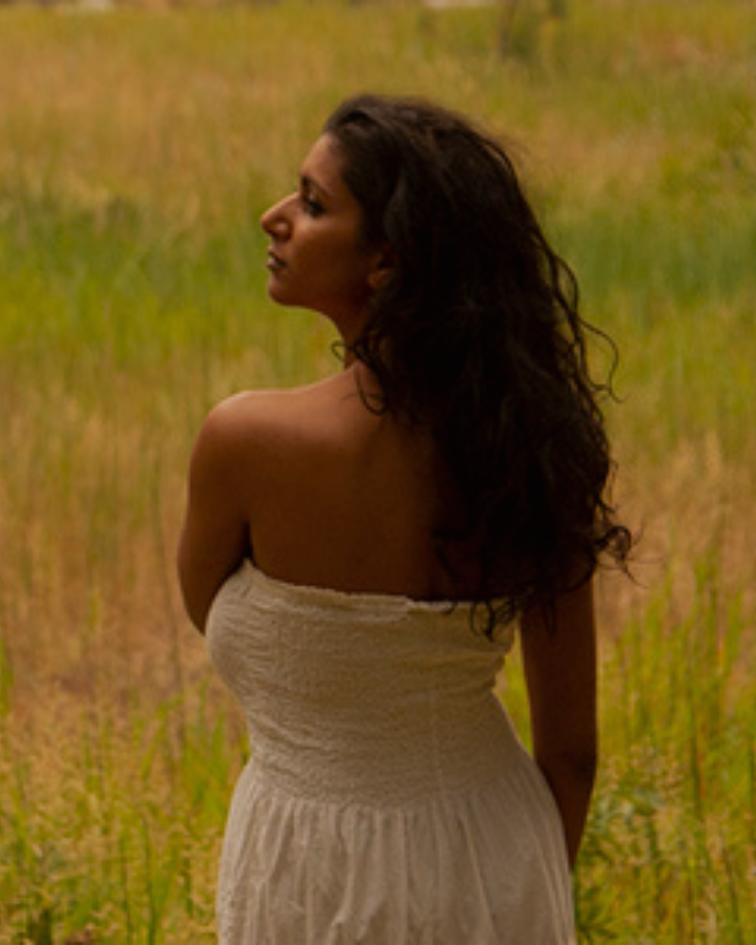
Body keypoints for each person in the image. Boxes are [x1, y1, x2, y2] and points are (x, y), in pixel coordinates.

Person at [177, 94, 631, 941]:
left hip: (307, 871)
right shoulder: (530, 453)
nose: (274, 216)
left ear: (385, 260)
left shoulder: (245, 442)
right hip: (496, 854)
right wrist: (514, 894)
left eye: (313, 203)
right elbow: (571, 755)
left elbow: (211, 610)